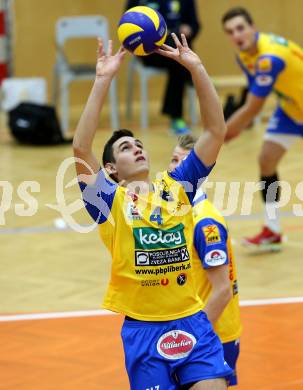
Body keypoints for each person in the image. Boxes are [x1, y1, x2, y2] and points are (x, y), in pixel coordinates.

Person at [73, 33, 232, 389]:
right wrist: (102, 80)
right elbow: (82, 148)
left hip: (193, 321)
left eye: (139, 144)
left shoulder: (178, 186)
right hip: (143, 331)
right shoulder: (109, 202)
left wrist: (196, 67)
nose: (137, 149)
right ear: (111, 168)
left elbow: (215, 131)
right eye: (126, 148)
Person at [221, 7, 303, 251]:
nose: (236, 35)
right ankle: (273, 229)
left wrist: (219, 136)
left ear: (253, 27)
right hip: (292, 109)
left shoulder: (269, 58)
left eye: (240, 28)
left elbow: (253, 109)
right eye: (230, 31)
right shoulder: (244, 55)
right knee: (266, 160)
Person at [169, 135, 242, 387]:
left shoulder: (205, 222)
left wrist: (192, 339)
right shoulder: (181, 214)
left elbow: (222, 291)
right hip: (201, 330)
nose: (174, 167)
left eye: (182, 161)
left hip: (213, 335)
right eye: (172, 160)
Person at [125, 0, 201, 134]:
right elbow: (126, 25)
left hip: (176, 47)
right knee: (181, 61)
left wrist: (189, 29)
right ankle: (176, 115)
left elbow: (195, 24)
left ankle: (176, 115)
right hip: (149, 51)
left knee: (178, 58)